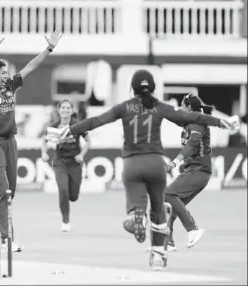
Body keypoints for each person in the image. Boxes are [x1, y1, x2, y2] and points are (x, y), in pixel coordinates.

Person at [57, 69, 238, 271]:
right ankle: (159, 256)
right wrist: (223, 122)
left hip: (132, 163)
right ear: (152, 88)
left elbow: (96, 121)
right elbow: (194, 117)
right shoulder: (159, 107)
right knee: (159, 209)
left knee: (137, 200)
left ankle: (137, 213)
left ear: (132, 88)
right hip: (155, 163)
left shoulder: (124, 107)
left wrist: (70, 130)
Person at [0, 29, 63, 252]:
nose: (6, 76)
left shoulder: (11, 86)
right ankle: (6, 239)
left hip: (10, 142)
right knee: (2, 190)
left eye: (7, 73)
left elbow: (31, 67)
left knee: (10, 192)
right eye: (2, 73)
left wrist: (49, 49)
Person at [163, 94, 217, 251]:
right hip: (192, 171)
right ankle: (168, 242)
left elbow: (191, 145)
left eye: (181, 105)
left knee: (168, 194)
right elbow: (174, 116)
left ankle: (193, 229)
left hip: (199, 171)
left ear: (188, 107)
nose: (179, 108)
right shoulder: (189, 122)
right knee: (170, 205)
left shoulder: (198, 124)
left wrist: (175, 161)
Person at [41, 100, 90, 233]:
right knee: (63, 190)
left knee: (73, 196)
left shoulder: (78, 125)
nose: (65, 110)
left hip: (75, 163)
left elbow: (88, 141)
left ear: (72, 110)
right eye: (63, 108)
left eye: (68, 108)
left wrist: (81, 155)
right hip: (60, 162)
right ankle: (65, 221)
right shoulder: (53, 127)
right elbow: (44, 141)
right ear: (59, 110)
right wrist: (44, 153)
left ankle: (69, 198)